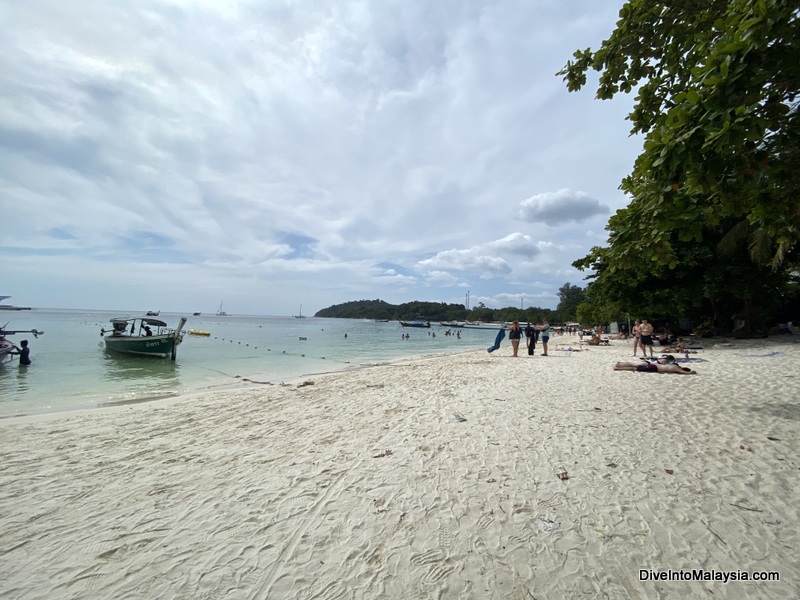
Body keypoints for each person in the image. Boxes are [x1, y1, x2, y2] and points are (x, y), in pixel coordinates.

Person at [613, 355, 696, 374]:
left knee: (634, 365)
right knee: (634, 368)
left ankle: (619, 365)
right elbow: (683, 372)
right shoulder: (676, 368)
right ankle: (618, 368)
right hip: (654, 368)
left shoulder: (674, 365)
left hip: (654, 366)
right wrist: (690, 372)